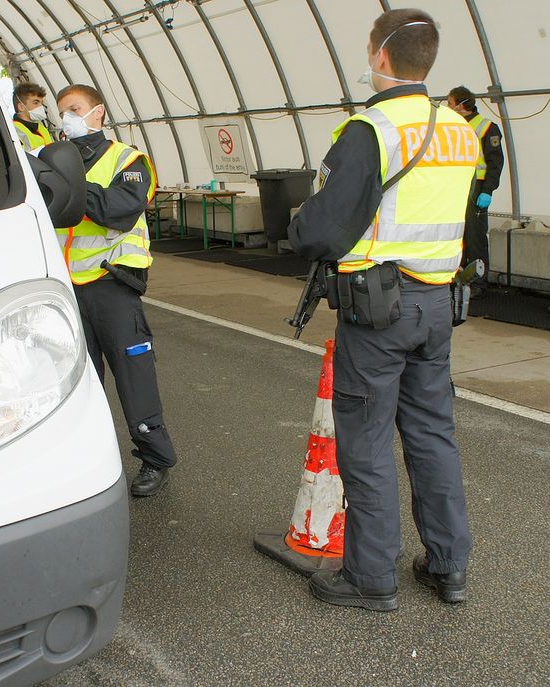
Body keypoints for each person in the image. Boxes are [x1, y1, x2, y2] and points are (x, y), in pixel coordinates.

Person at [287, 9, 478, 611]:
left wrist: (298, 224)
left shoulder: (371, 130)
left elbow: (322, 227)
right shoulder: (460, 128)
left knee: (366, 442)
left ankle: (371, 577)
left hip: (378, 310)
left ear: (381, 56)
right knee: (431, 437)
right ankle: (448, 567)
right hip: (438, 304)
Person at [55, 84, 177, 497]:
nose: (66, 118)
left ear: (98, 113)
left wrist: (67, 181)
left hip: (112, 285)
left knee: (133, 373)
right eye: (62, 112)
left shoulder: (129, 160)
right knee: (76, 380)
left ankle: (155, 457)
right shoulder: (54, 163)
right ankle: (83, 459)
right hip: (67, 287)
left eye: (75, 109)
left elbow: (116, 212)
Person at [448, 85, 505, 290]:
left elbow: (495, 162)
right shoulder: (454, 126)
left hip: (477, 189)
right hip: (457, 188)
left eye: (450, 102)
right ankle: (458, 277)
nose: (448, 106)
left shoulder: (487, 127)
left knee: (475, 237)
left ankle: (478, 283)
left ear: (462, 105)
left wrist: (487, 190)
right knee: (457, 235)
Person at [12, 82, 53, 152]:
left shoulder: (41, 128)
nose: (41, 107)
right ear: (21, 107)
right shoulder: (13, 130)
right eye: (36, 103)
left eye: (41, 103)